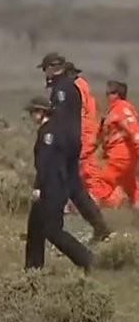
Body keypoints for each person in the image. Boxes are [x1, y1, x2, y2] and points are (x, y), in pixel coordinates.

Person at [39, 53, 113, 243]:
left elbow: (61, 118)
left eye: (46, 69)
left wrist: (53, 140)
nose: (45, 73)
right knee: (74, 187)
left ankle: (51, 228)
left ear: (53, 68)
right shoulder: (72, 86)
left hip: (63, 143)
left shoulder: (63, 89)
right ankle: (100, 227)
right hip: (73, 141)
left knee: (55, 182)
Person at [24, 96, 92, 271]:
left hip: (51, 188)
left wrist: (38, 187)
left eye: (33, 112)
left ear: (41, 112)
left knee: (52, 231)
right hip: (56, 186)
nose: (31, 116)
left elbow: (45, 163)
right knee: (35, 228)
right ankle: (33, 268)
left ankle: (86, 259)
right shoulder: (57, 130)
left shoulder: (48, 133)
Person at [91, 80, 139, 208]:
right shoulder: (112, 112)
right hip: (123, 157)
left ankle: (94, 210)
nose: (106, 96)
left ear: (117, 94)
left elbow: (134, 130)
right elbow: (101, 136)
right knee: (131, 187)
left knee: (104, 182)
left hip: (121, 156)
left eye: (109, 93)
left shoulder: (123, 109)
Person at [65, 62, 101, 199]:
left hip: (84, 131)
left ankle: (95, 197)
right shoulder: (83, 85)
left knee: (86, 167)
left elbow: (80, 110)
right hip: (88, 130)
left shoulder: (77, 87)